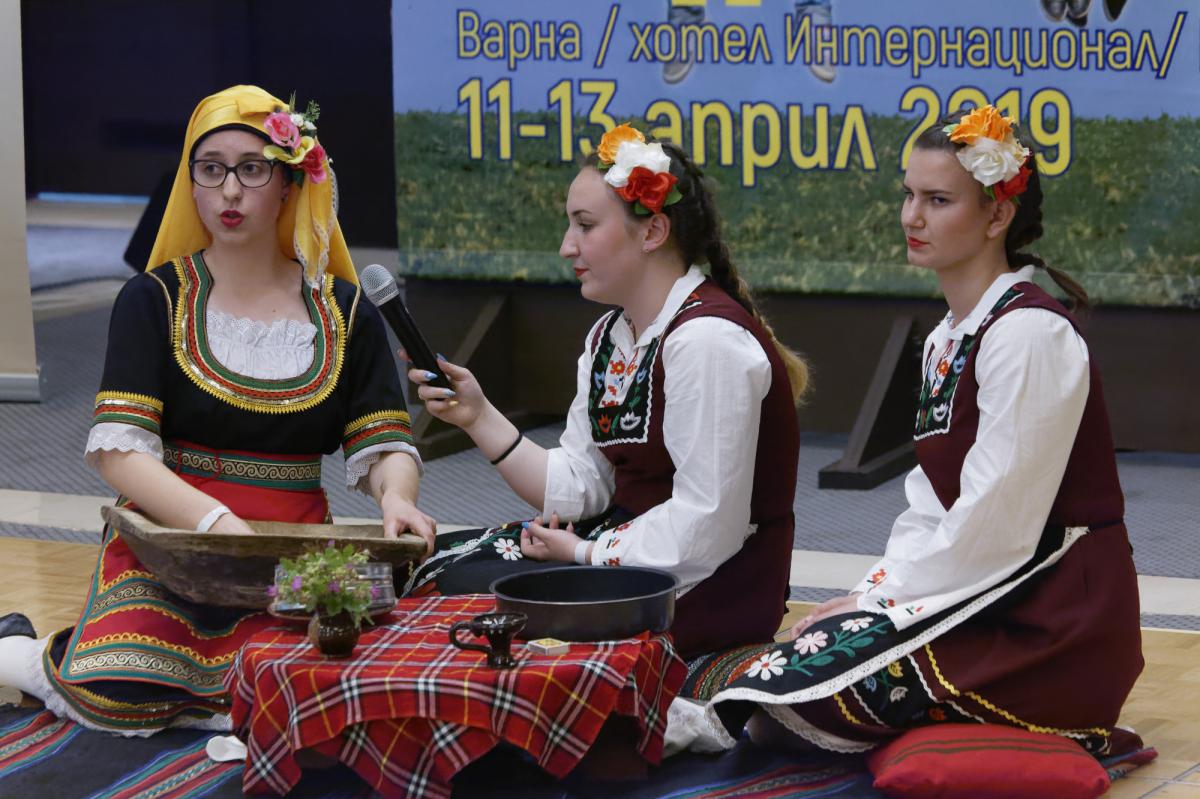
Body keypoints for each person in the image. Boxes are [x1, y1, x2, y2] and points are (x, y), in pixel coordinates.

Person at [692, 105, 1144, 758]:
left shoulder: (1029, 334)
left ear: (997, 215)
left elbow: (995, 522)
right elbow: (930, 505)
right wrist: (871, 594)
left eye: (938, 200)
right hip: (985, 584)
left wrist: (884, 608)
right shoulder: (946, 339)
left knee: (811, 688)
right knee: (789, 666)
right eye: (909, 194)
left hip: (1051, 617)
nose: (911, 216)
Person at [0, 85, 433, 734]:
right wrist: (217, 526)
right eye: (211, 169)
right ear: (191, 185)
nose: (230, 190)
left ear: (289, 183)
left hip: (294, 552)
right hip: (170, 541)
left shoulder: (346, 312)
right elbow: (120, 452)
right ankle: (26, 658)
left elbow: (383, 443)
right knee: (125, 692)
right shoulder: (153, 300)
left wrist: (396, 497)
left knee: (322, 690)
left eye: (252, 169)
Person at [405, 124, 808, 659]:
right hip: (633, 557)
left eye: (585, 225)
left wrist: (585, 553)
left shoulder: (707, 340)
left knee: (470, 598)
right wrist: (478, 416)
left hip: (706, 586)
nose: (566, 246)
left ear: (653, 231)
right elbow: (581, 486)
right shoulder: (610, 337)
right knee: (430, 567)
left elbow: (707, 525)